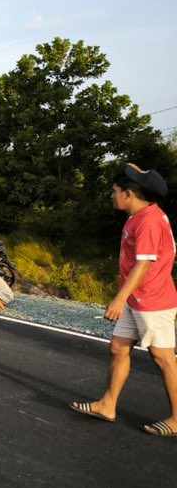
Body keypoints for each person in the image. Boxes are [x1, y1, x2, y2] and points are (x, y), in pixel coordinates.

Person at [70, 164, 177, 436]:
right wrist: (139, 172)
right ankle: (107, 404)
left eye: (116, 191)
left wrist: (118, 299)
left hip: (153, 299)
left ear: (129, 194)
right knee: (118, 347)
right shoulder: (138, 215)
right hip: (136, 298)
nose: (112, 195)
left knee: (163, 358)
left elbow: (143, 265)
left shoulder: (149, 222)